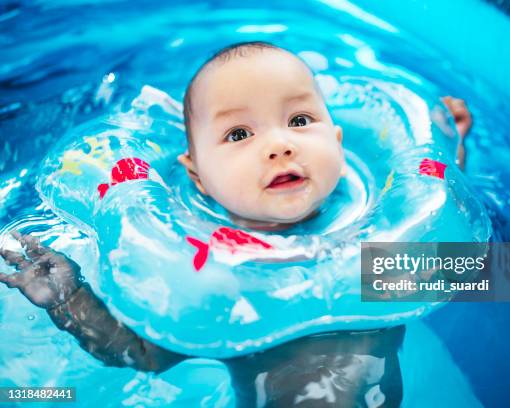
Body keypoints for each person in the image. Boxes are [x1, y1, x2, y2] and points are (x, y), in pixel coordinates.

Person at [0, 41, 472, 407]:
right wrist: (70, 299)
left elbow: (444, 218)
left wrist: (450, 143)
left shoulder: (383, 234)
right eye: (239, 134)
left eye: (301, 119)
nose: (280, 145)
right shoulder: (208, 273)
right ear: (197, 176)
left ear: (339, 141)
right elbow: (146, 354)